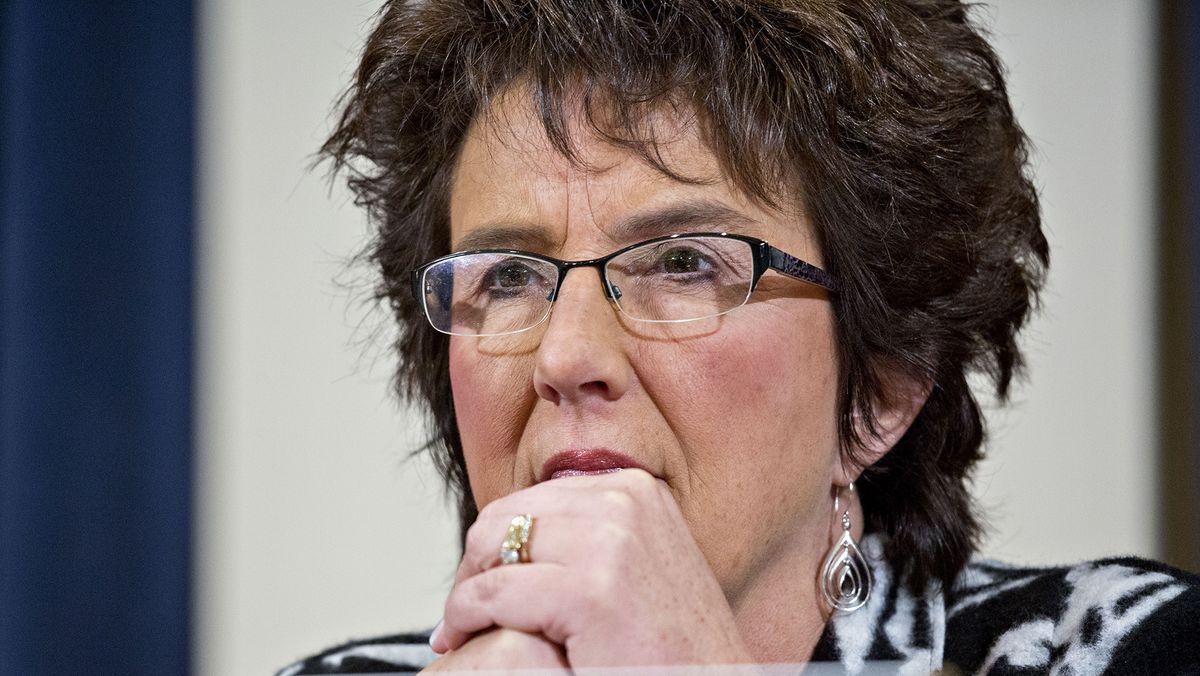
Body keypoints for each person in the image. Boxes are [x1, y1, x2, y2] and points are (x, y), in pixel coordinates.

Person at [280, 0, 1200, 673]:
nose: (565, 358)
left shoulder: (1133, 652)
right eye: (509, 277)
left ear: (881, 385)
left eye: (683, 263)